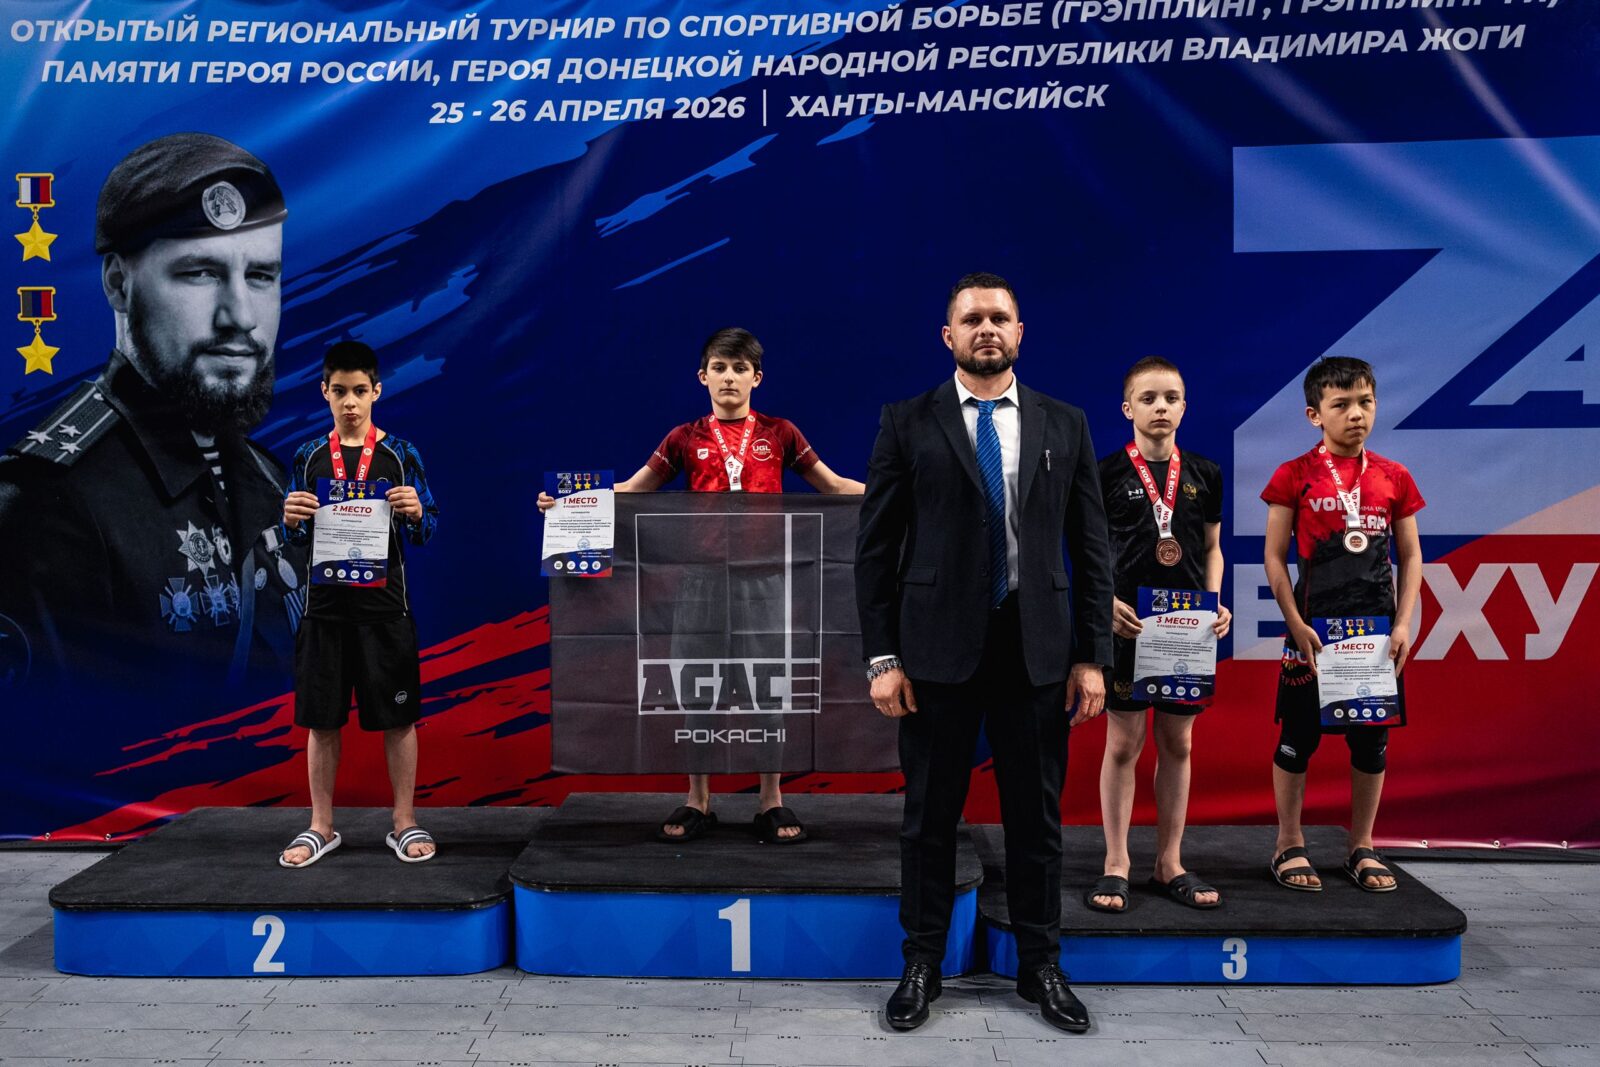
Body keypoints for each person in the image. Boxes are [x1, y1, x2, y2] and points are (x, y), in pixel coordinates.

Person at [856, 272, 1114, 1033]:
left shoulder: (1066, 423)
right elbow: (874, 552)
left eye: (1000, 317)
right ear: (949, 336)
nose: (987, 328)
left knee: (1036, 822)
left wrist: (1092, 655)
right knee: (928, 820)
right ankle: (921, 964)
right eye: (972, 319)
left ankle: (1041, 966)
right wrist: (882, 658)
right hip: (933, 654)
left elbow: (1091, 550)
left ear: (1020, 332)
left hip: (1037, 652)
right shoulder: (906, 421)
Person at [0, 134, 304, 769]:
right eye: (200, 273)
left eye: (260, 276)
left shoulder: (272, 480)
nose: (240, 317)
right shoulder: (43, 501)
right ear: (119, 284)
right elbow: (47, 773)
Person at [537, 327, 863, 844]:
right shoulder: (684, 437)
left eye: (739, 369)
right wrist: (572, 503)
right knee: (696, 688)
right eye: (719, 368)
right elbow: (634, 489)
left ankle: (771, 799)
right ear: (702, 376)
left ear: (757, 378)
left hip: (765, 581)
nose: (729, 377)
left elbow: (835, 486)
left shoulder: (780, 433)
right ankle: (698, 799)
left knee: (768, 688)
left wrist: (892, 493)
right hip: (701, 581)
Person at [1261, 356, 1422, 894]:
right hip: (1312, 635)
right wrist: (1294, 622)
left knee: (1371, 743)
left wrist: (1404, 624)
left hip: (1375, 638)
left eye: (1366, 402)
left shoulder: (1394, 476)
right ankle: (1289, 843)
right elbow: (1273, 557)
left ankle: (1362, 846)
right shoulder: (1293, 475)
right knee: (1297, 739)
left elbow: (1411, 556)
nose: (1357, 414)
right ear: (1315, 414)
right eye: (1342, 404)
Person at [278, 340, 440, 867]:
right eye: (340, 391)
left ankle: (404, 822)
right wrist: (290, 519)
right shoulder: (308, 456)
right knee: (321, 722)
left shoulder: (402, 455)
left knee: (399, 720)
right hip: (324, 611)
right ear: (324, 392)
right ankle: (320, 827)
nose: (350, 402)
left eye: (360, 391)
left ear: (377, 392)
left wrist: (417, 512)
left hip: (385, 611)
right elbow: (293, 538)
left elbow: (427, 531)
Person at [1088, 357, 1230, 915]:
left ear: (1185, 407)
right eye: (1148, 399)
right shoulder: (1104, 474)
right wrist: (1103, 604)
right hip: (1128, 626)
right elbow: (1085, 552)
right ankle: (1116, 862)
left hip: (1187, 631)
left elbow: (1212, 548)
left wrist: (1214, 602)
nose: (1161, 407)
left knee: (1179, 743)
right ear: (1128, 409)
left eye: (1171, 398)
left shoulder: (1206, 474)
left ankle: (1169, 861)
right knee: (1123, 744)